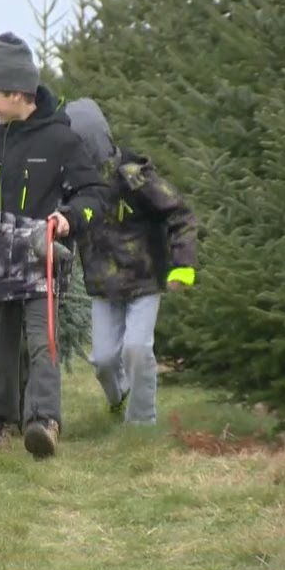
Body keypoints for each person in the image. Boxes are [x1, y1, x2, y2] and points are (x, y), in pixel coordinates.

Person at [0, 32, 108, 458]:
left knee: (43, 344)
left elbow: (93, 195)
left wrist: (68, 219)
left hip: (42, 267)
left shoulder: (62, 142)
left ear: (17, 93)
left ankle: (43, 423)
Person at [63, 98, 197, 425]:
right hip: (101, 285)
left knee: (136, 349)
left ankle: (141, 425)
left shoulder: (134, 176)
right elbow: (62, 225)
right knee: (104, 360)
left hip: (145, 280)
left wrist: (183, 266)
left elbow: (181, 215)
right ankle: (120, 398)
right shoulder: (71, 186)